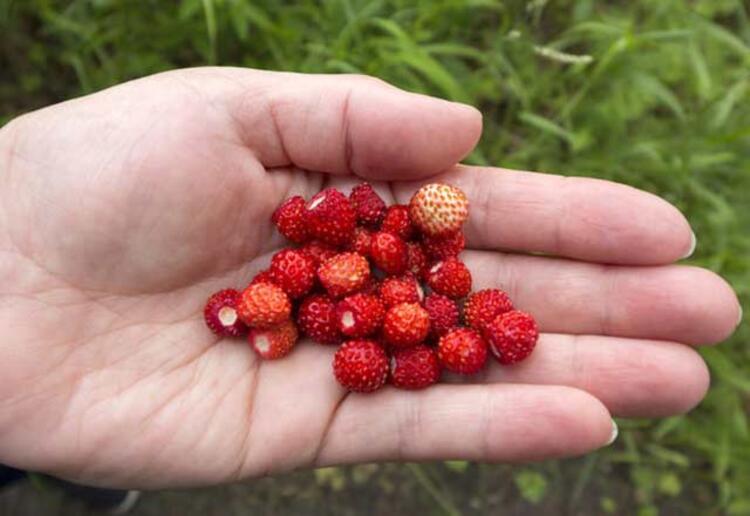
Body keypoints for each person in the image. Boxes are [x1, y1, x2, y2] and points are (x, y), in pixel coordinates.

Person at [0, 68, 741, 499]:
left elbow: (381, 293)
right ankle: (70, 480)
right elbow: (330, 286)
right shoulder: (332, 274)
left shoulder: (408, 276)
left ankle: (75, 481)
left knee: (40, 458)